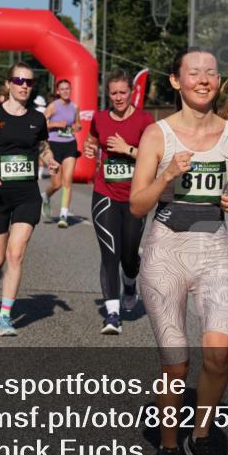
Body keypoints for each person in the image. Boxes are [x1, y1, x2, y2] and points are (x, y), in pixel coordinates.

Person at [130, 48, 228, 455]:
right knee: (176, 366)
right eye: (193, 73)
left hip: (214, 250)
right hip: (165, 252)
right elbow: (137, 203)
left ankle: (199, 436)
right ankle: (166, 447)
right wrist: (166, 177)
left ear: (218, 81)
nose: (203, 80)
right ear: (177, 82)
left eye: (211, 73)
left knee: (219, 356)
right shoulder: (156, 135)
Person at [0, 63, 59, 337]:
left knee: (15, 254)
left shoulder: (37, 118)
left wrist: (50, 160)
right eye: (19, 80)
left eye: (29, 82)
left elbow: (43, 146)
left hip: (27, 195)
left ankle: (5, 317)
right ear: (9, 84)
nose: (25, 85)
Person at [82, 69, 155, 334]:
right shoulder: (100, 118)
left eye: (123, 92)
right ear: (108, 93)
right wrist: (90, 148)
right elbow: (92, 141)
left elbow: (156, 157)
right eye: (113, 93)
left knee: (129, 255)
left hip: (136, 197)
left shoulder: (145, 121)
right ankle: (112, 315)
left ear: (130, 92)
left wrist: (128, 150)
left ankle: (130, 280)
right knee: (109, 253)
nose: (118, 97)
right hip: (106, 194)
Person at [43, 79, 82, 227]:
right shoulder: (53, 106)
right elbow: (40, 125)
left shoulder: (74, 107)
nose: (65, 91)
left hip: (70, 145)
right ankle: (46, 196)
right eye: (62, 89)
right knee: (57, 184)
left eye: (68, 89)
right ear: (57, 91)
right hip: (54, 146)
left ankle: (63, 215)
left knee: (67, 180)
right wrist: (54, 124)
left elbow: (78, 124)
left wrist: (77, 127)